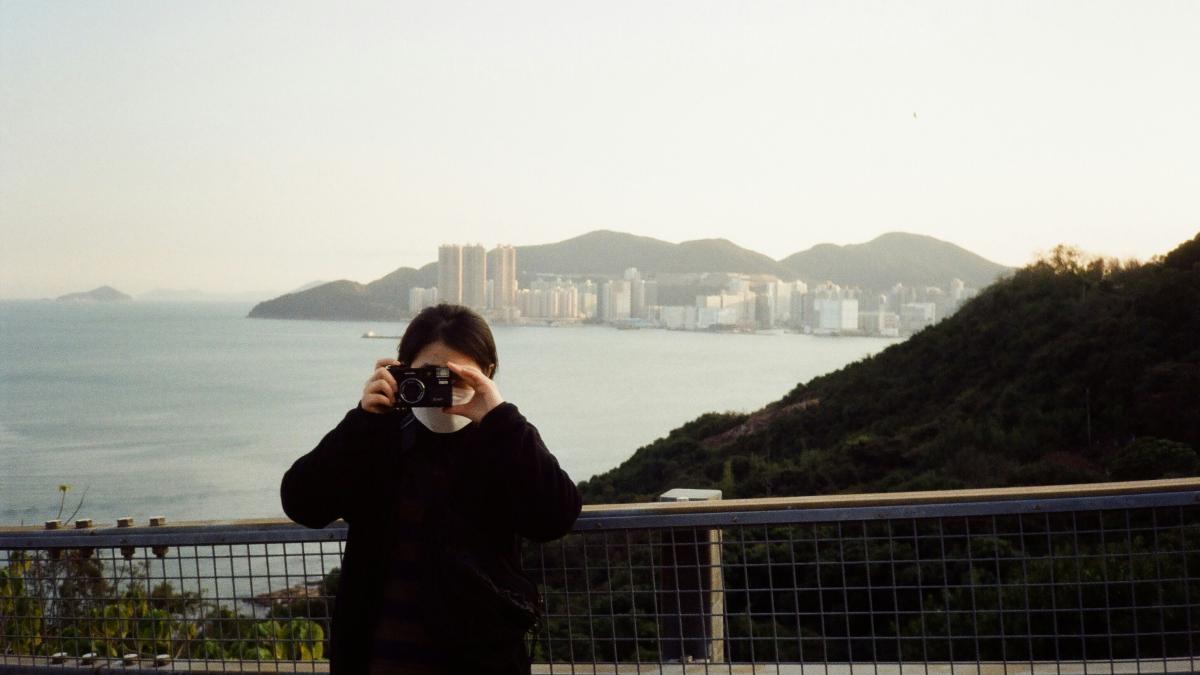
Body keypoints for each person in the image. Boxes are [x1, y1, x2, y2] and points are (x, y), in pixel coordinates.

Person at [281, 304, 582, 674]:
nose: (442, 389)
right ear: (400, 368)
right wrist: (362, 420)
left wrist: (501, 418)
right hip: (379, 659)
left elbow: (554, 518)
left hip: (478, 662)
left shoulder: (503, 442)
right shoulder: (379, 438)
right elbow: (303, 504)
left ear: (487, 373)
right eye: (428, 375)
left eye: (458, 377)